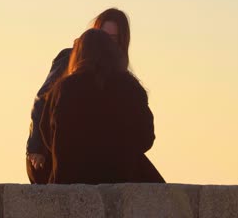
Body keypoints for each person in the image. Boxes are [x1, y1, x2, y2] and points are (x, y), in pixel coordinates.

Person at [40, 29, 163, 184]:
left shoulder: (64, 88)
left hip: (69, 180)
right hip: (122, 178)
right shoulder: (131, 87)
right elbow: (146, 137)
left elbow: (46, 133)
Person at [26, 8, 132, 184]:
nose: (106, 42)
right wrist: (36, 147)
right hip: (50, 154)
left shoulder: (118, 73)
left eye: (112, 38)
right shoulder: (70, 58)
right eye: (103, 35)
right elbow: (43, 98)